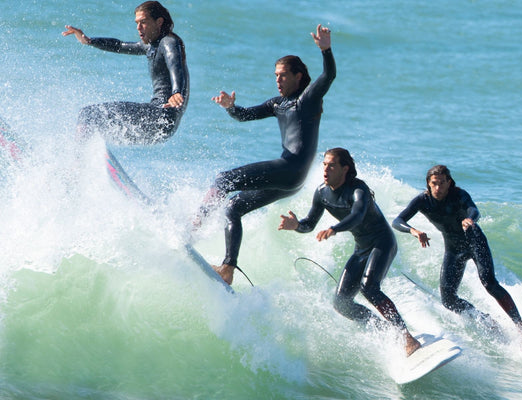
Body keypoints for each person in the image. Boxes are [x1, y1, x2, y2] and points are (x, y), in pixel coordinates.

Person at [193, 24, 336, 285]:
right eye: (275, 76)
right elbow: (245, 115)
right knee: (233, 207)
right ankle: (228, 268)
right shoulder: (276, 104)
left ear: (299, 77)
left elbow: (328, 76)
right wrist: (230, 107)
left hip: (290, 169)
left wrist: (326, 50)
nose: (277, 80)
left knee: (223, 180)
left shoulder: (308, 99)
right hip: (290, 182)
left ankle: (193, 226)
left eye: (283, 75)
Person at [279, 148, 421, 356]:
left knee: (369, 287)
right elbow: (309, 223)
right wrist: (296, 225)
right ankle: (384, 330)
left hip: (382, 241)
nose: (326, 169)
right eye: (324, 165)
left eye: (332, 165)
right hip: (362, 247)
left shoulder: (358, 190)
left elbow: (357, 215)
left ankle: (406, 337)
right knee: (341, 303)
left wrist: (334, 229)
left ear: (345, 169)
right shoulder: (321, 193)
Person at [392, 165, 522, 343]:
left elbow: (474, 210)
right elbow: (397, 221)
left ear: (449, 183)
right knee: (448, 300)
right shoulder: (422, 200)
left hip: (474, 241)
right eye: (434, 183)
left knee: (489, 283)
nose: (438, 187)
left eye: (442, 183)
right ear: (428, 183)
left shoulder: (459, 195)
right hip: (453, 248)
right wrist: (413, 231)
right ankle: (486, 320)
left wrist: (470, 219)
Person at [62, 1, 189, 145]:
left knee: (88, 114)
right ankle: (92, 158)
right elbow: (119, 45)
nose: (138, 28)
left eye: (143, 22)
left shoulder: (169, 42)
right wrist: (89, 41)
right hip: (163, 126)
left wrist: (177, 92)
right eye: (137, 23)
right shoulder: (151, 46)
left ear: (159, 22)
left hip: (160, 116)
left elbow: (175, 65)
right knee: (96, 124)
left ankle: (78, 162)